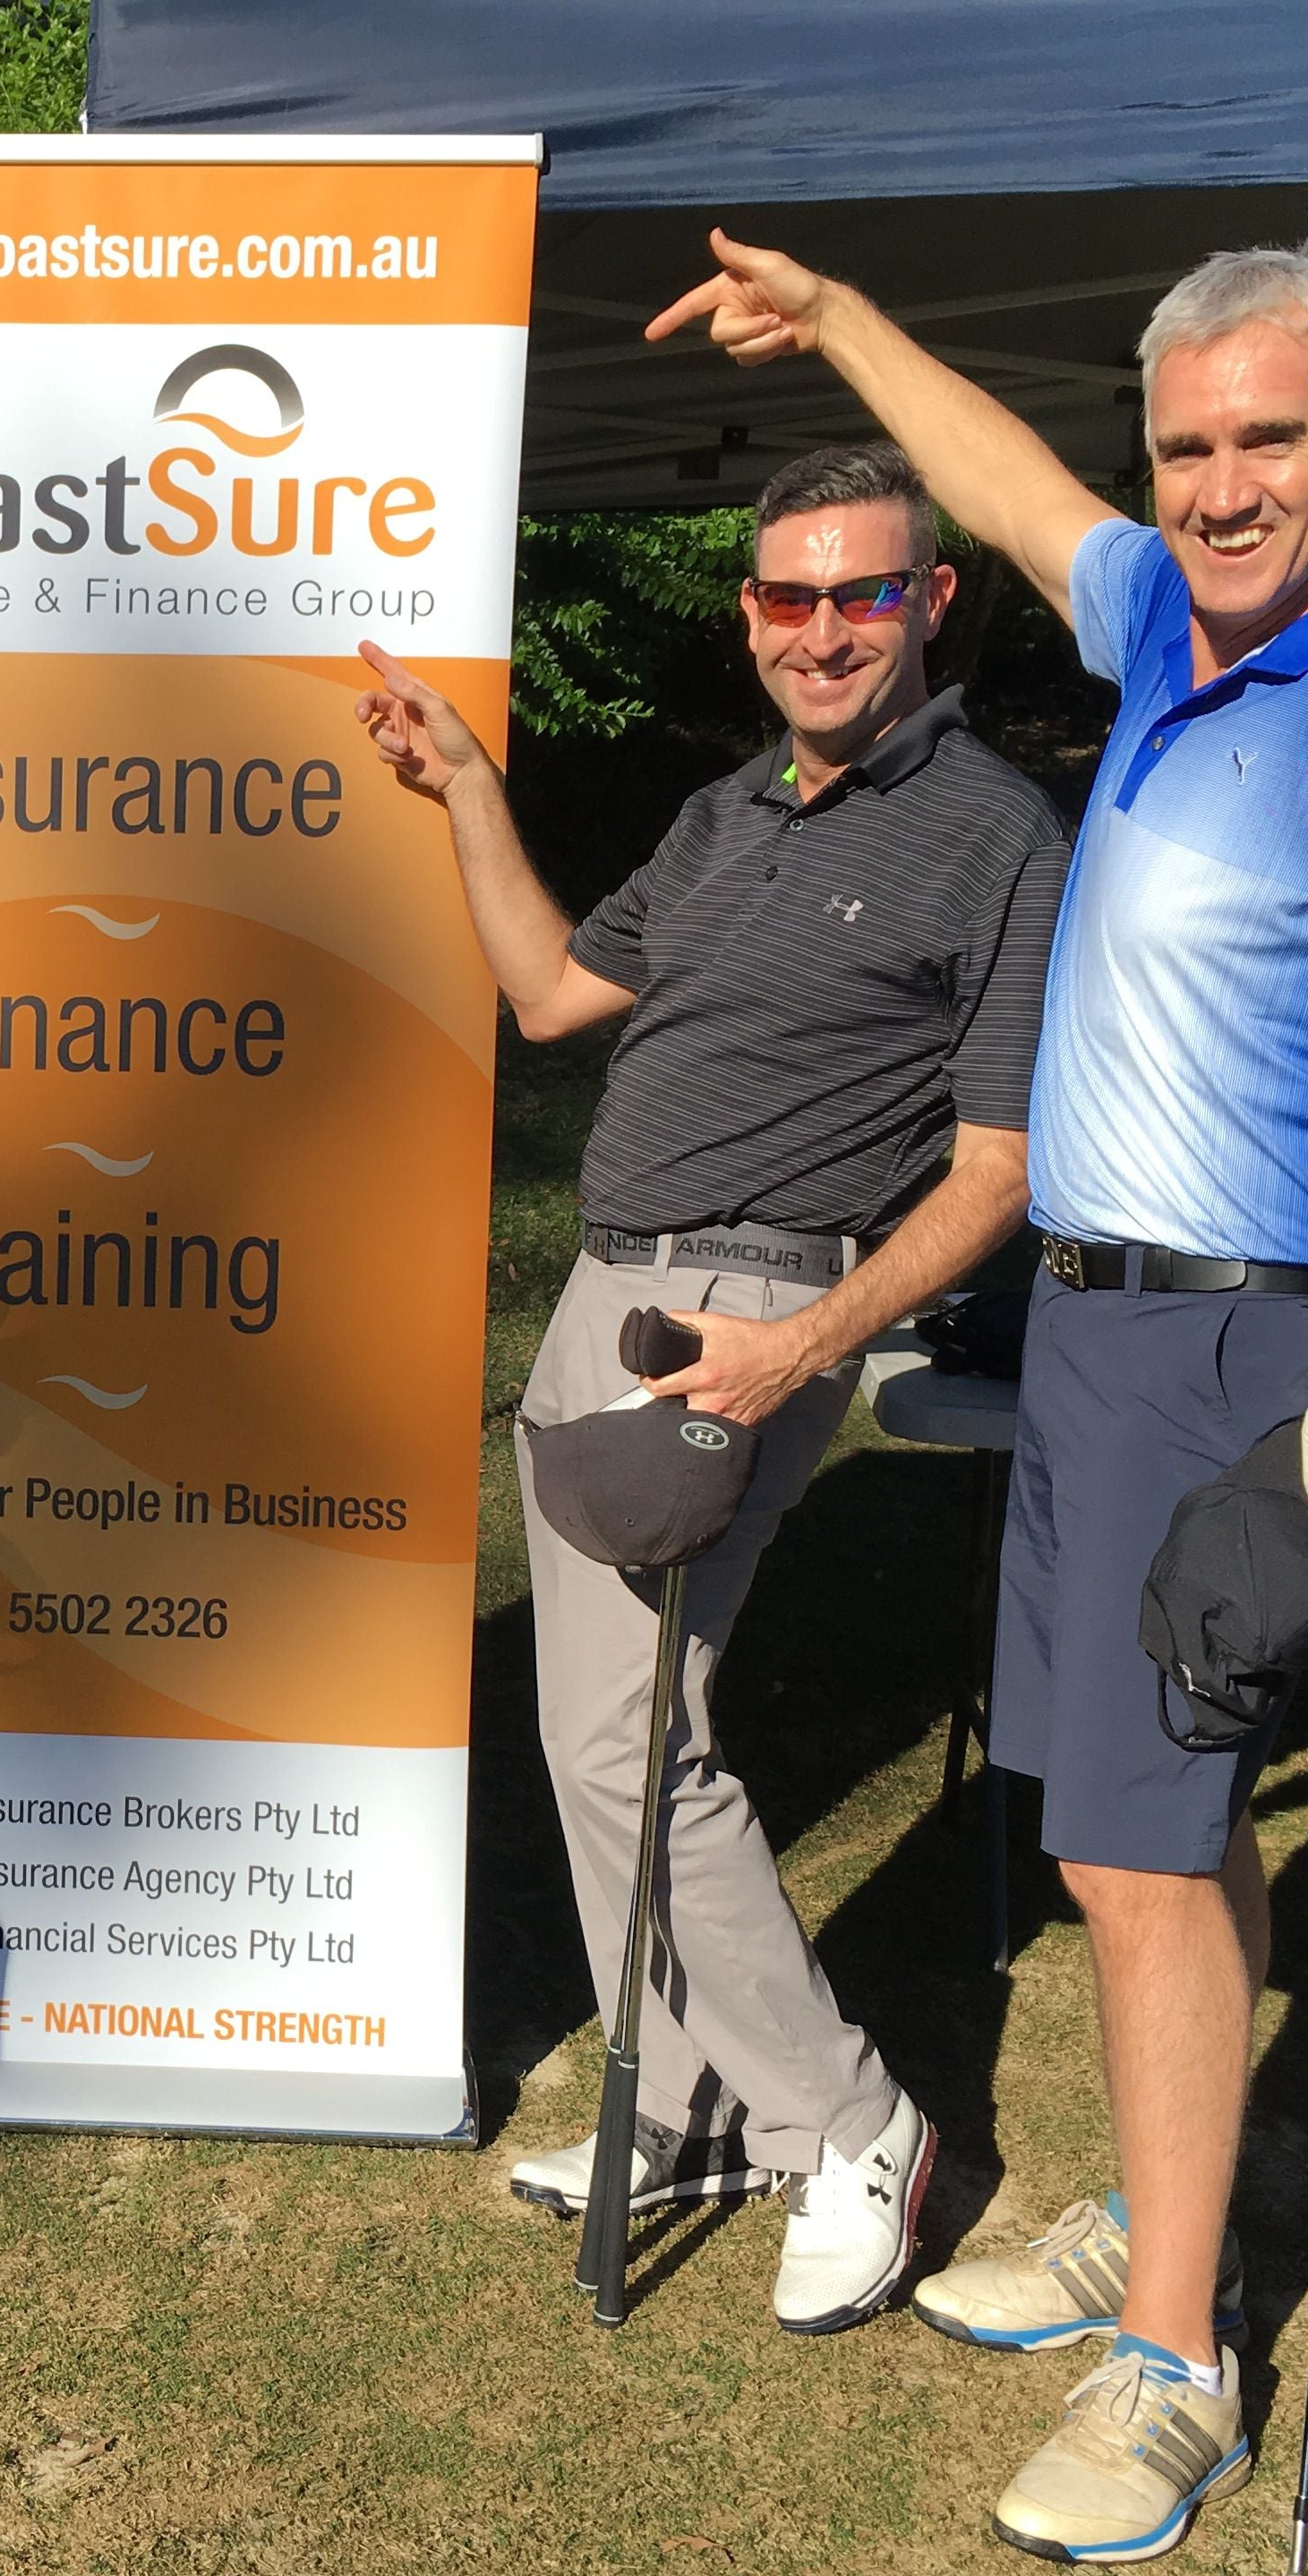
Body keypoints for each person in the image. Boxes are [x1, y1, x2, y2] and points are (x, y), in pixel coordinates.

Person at [650, 235, 1308, 2564]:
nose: (1215, 488)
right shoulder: (1184, 632)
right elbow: (1016, 497)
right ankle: (1162, 2209)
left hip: (1246, 1341)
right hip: (1103, 1330)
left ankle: (1180, 2357)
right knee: (1166, 1832)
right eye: (1186, 445)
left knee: (1123, 1853)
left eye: (1266, 441)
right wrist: (845, 327)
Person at [356, 439, 1068, 2334]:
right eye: (788, 596)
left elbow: (999, 1170)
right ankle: (683, 2103)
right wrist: (471, 788)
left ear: (932, 601)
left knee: (628, 1744)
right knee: (593, 1728)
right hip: (609, 1286)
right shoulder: (726, 810)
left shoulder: (998, 834)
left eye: (864, 593)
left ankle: (855, 2127)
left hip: (747, 1315)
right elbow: (547, 996)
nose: (822, 630)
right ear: (749, 612)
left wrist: (803, 1349)